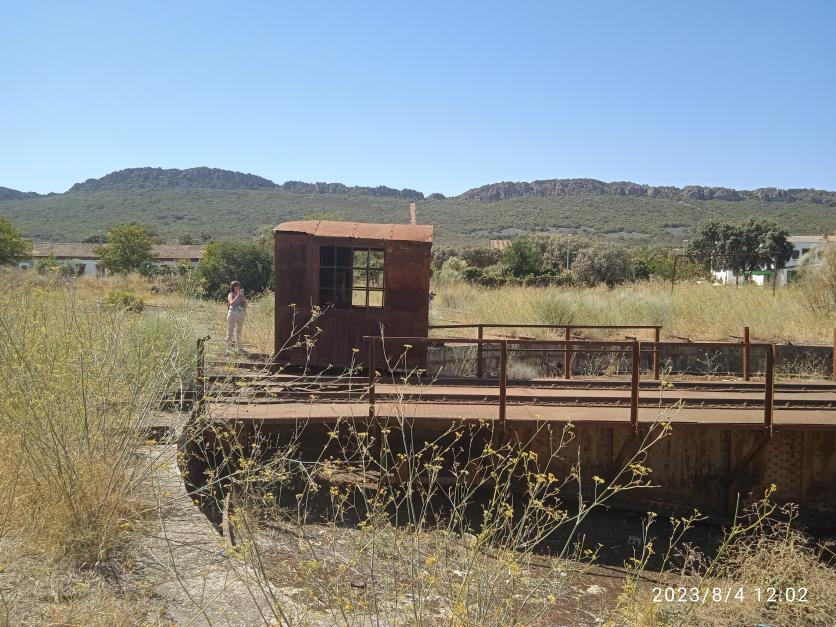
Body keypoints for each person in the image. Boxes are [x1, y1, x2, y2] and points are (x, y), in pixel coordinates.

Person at [227, 280, 247, 352]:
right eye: (236, 286)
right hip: (232, 314)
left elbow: (245, 305)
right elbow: (231, 303)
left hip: (241, 314)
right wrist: (237, 296)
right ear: (232, 287)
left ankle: (239, 348)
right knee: (230, 331)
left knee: (239, 331)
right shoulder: (230, 294)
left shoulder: (241, 295)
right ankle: (228, 348)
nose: (237, 287)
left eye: (238, 286)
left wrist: (243, 299)